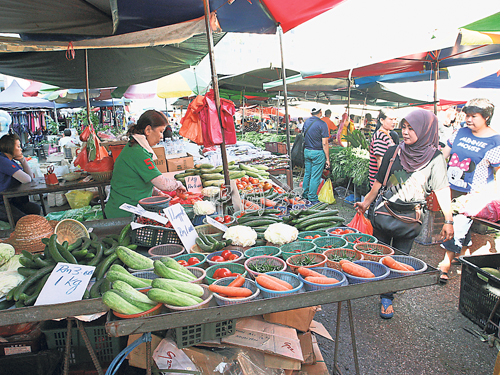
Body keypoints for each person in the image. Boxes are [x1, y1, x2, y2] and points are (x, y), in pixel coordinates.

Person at [354, 108, 454, 319]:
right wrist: (365, 203)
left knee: (400, 258)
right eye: (405, 127)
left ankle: (387, 297)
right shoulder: (393, 151)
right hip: (384, 213)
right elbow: (379, 183)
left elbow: (443, 190)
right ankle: (374, 283)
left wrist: (448, 220)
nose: (406, 132)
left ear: (426, 130)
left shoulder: (434, 158)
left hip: (410, 219)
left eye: (412, 128)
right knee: (380, 253)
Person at [439, 98, 500, 283]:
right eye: (467, 115)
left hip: (473, 195)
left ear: (487, 117)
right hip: (450, 188)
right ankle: (466, 257)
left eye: (474, 116)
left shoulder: (495, 141)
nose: (468, 119)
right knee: (460, 227)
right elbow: (445, 154)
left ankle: (445, 265)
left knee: (455, 227)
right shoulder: (459, 132)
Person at [105, 110, 186, 218]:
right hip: (123, 214)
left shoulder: (135, 147)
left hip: (126, 209)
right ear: (148, 130)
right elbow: (163, 184)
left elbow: (138, 180)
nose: (161, 136)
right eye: (161, 131)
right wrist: (178, 184)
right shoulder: (138, 152)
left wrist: (157, 193)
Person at [0, 134, 41, 224]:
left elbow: (30, 176)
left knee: (35, 209)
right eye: (18, 146)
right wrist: (22, 160)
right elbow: (26, 179)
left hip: (10, 199)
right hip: (2, 203)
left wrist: (23, 160)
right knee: (24, 220)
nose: (20, 149)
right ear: (10, 147)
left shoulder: (9, 160)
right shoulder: (3, 161)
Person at [302, 108, 330, 203]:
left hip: (307, 151)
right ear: (320, 112)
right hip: (317, 152)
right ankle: (312, 198)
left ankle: (305, 194)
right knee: (315, 176)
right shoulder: (322, 124)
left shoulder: (306, 122)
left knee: (307, 174)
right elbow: (325, 143)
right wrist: (328, 159)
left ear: (311, 113)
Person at [368, 109, 397, 187]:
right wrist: (384, 181)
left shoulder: (386, 134)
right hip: (380, 183)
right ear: (382, 120)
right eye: (390, 119)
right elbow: (380, 160)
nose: (394, 122)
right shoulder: (380, 136)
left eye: (395, 119)